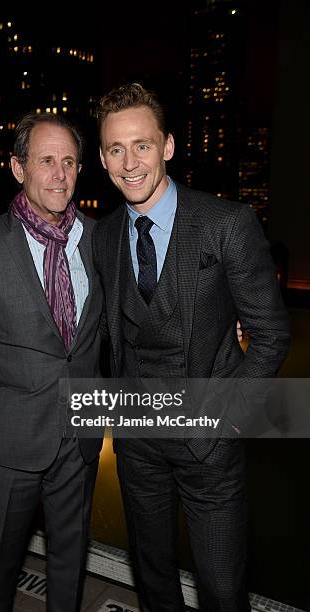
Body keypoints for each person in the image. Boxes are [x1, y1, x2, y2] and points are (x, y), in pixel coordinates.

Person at [93, 83, 290, 612]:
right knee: (154, 583)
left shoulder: (226, 224)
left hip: (209, 448)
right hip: (137, 446)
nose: (129, 162)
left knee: (223, 590)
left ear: (169, 146)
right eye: (115, 148)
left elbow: (271, 333)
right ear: (102, 156)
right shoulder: (105, 235)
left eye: (142, 145)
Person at [0, 111, 103, 612]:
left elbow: (138, 314)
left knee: (69, 563)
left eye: (70, 162)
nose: (60, 174)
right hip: (8, 446)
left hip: (79, 438)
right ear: (18, 168)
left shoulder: (100, 241)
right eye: (47, 161)